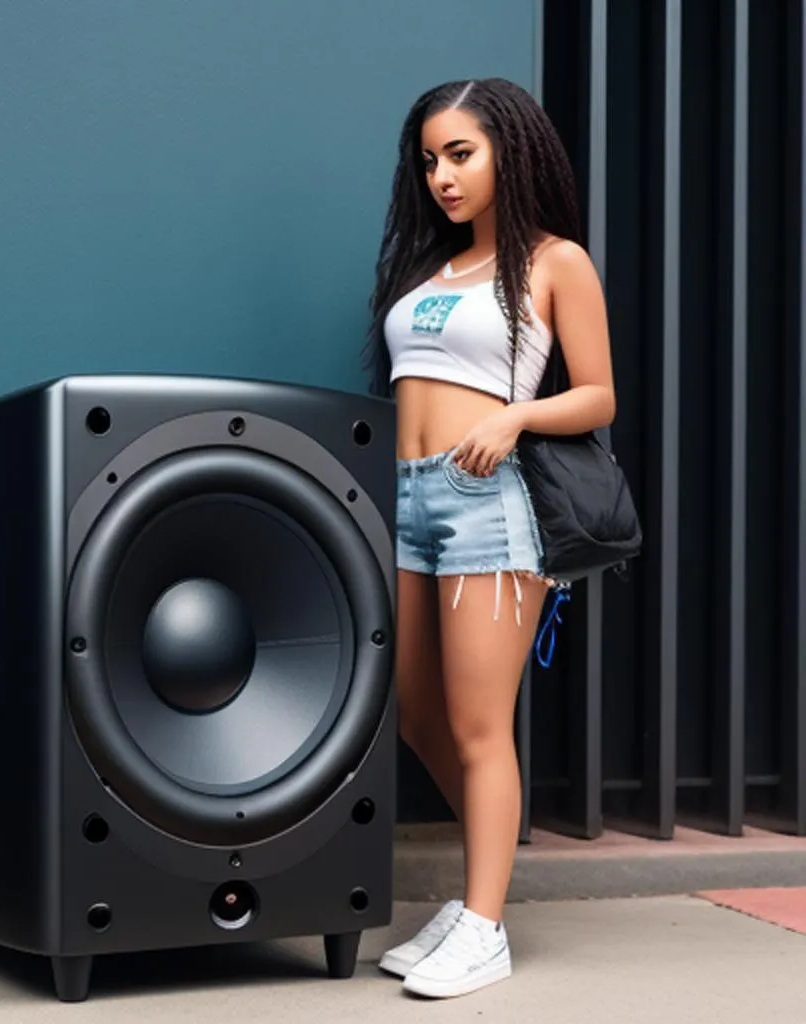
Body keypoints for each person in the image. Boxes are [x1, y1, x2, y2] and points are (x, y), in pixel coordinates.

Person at [362, 78, 616, 999]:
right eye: (428, 160)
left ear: (512, 150)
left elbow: (599, 394)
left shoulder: (555, 262)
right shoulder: (425, 274)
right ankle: (479, 899)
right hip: (405, 500)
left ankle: (484, 923)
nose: (441, 176)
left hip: (491, 501)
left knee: (476, 724)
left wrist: (515, 417)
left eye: (460, 154)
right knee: (417, 710)